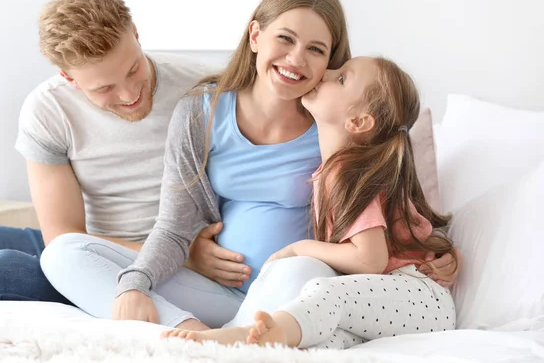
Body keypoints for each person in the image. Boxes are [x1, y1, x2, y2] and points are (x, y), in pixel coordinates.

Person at [41, 0, 461, 334]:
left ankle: (234, 339)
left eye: (316, 49)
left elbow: (390, 197)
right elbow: (173, 226)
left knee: (303, 272)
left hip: (291, 293)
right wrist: (136, 283)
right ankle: (189, 334)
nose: (296, 59)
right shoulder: (201, 112)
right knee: (63, 254)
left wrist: (438, 250)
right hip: (217, 293)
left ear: (331, 61)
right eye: (285, 38)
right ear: (256, 36)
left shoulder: (336, 123)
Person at [0, 0, 242, 306]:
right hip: (88, 248)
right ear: (69, 78)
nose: (130, 94)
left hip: (156, 261)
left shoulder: (206, 89)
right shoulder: (49, 110)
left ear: (136, 33)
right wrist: (182, 255)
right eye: (105, 88)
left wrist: (180, 253)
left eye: (133, 69)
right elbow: (62, 237)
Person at [164, 56, 459, 349]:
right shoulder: (333, 171)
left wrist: (297, 248)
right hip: (390, 307)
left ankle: (238, 336)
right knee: (322, 341)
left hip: (419, 298)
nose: (327, 72)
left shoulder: (349, 172)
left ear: (358, 121)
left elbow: (371, 260)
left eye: (342, 77)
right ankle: (249, 345)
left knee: (325, 293)